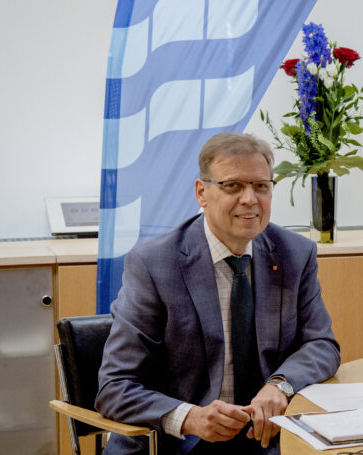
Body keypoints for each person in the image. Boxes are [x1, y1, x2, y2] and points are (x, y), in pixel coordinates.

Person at [95, 133, 341, 454]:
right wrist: (191, 417)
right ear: (202, 192)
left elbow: (321, 344)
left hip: (264, 440)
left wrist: (280, 384)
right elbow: (115, 388)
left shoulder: (294, 253)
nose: (250, 199)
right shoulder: (154, 264)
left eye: (261, 186)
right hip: (175, 444)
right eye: (233, 186)